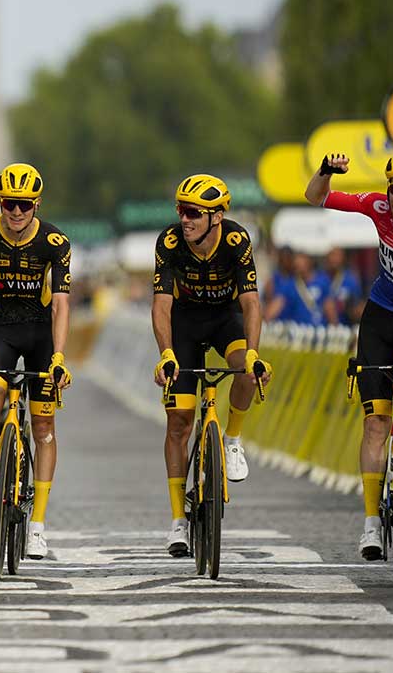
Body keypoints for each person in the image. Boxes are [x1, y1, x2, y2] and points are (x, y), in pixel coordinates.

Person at [151, 174, 272, 558]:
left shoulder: (236, 241)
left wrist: (253, 354)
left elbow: (252, 303)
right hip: (185, 325)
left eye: (192, 213)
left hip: (224, 320)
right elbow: (162, 305)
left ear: (217, 217)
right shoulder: (170, 242)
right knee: (179, 423)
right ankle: (177, 522)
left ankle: (232, 440)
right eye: (180, 211)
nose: (183, 220)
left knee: (247, 372)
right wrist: (166, 353)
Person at [0, 164, 72, 560]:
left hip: (41, 333)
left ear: (36, 204)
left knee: (43, 426)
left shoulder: (55, 242)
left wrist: (58, 357)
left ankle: (37, 525)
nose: (16, 212)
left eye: (24, 205)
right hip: (1, 329)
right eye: (9, 204)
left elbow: (60, 304)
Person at [305, 150, 393, 559]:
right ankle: (371, 524)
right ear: (388, 191)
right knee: (376, 423)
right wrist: (326, 171)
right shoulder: (377, 207)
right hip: (380, 319)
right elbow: (317, 197)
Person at [265, 252, 331, 326]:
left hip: (320, 329)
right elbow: (277, 304)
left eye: (301, 264)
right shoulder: (290, 285)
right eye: (296, 265)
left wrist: (334, 327)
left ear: (309, 263)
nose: (298, 267)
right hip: (299, 331)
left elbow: (329, 306)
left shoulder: (322, 281)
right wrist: (265, 319)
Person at [323, 247, 364, 325]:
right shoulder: (319, 278)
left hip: (344, 327)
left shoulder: (350, 279)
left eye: (338, 256)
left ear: (343, 258)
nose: (334, 259)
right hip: (322, 328)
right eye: (332, 255)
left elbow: (357, 304)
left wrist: (355, 311)